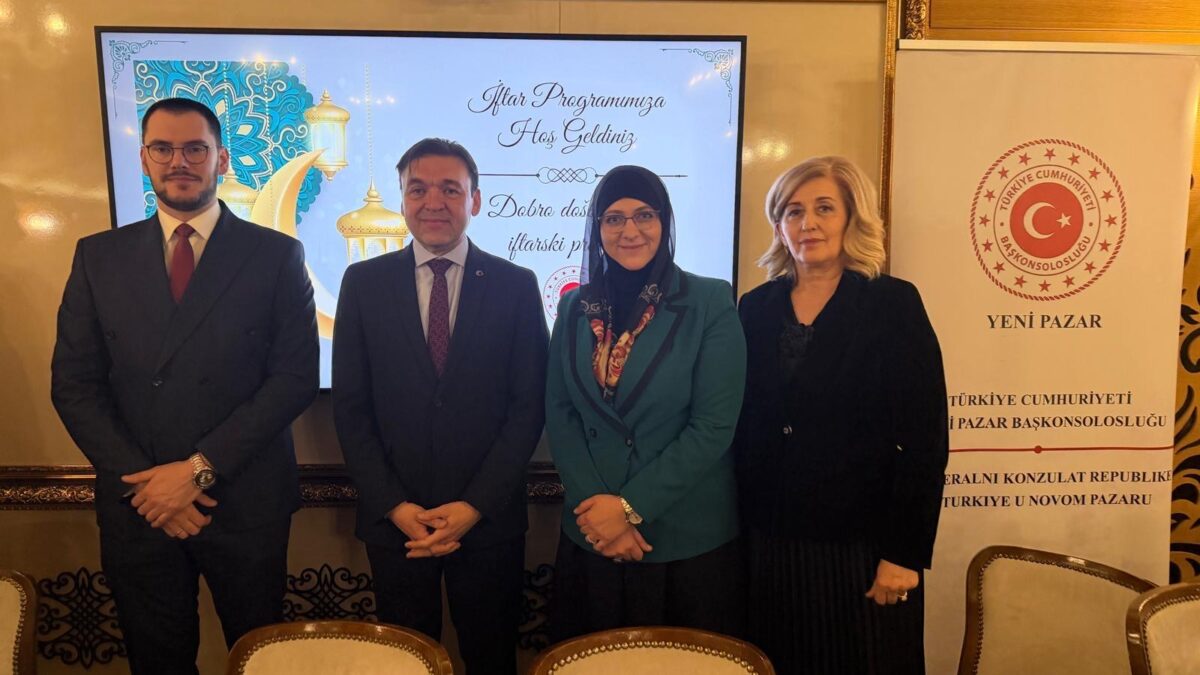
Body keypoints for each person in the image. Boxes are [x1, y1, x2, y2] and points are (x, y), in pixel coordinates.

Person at [50, 97, 319, 674]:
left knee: (261, 660)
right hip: (140, 506)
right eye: (164, 148)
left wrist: (195, 472)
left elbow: (294, 379)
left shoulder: (276, 255)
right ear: (144, 159)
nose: (180, 161)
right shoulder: (98, 257)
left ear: (222, 159)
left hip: (244, 501)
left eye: (196, 148)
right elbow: (74, 385)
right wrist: (151, 488)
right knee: (156, 663)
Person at [332, 138, 547, 675]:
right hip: (396, 523)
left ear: (475, 200)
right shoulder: (363, 284)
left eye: (450, 189)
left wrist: (474, 506)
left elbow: (528, 408)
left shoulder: (517, 286)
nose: (434, 202)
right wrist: (395, 506)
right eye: (418, 189)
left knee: (492, 659)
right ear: (402, 200)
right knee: (405, 663)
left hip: (488, 521)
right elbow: (352, 410)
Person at [734, 155, 948, 674]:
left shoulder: (893, 304)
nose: (807, 223)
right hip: (771, 542)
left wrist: (904, 553)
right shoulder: (754, 308)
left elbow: (925, 440)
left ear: (852, 217)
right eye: (793, 211)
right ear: (779, 226)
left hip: (864, 548)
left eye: (824, 208)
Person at [545, 165, 747, 639]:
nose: (629, 230)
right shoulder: (574, 307)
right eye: (613, 218)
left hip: (682, 540)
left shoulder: (709, 300)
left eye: (644, 215)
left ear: (664, 221)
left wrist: (629, 508)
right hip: (592, 536)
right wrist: (600, 514)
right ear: (598, 228)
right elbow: (560, 412)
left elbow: (714, 425)